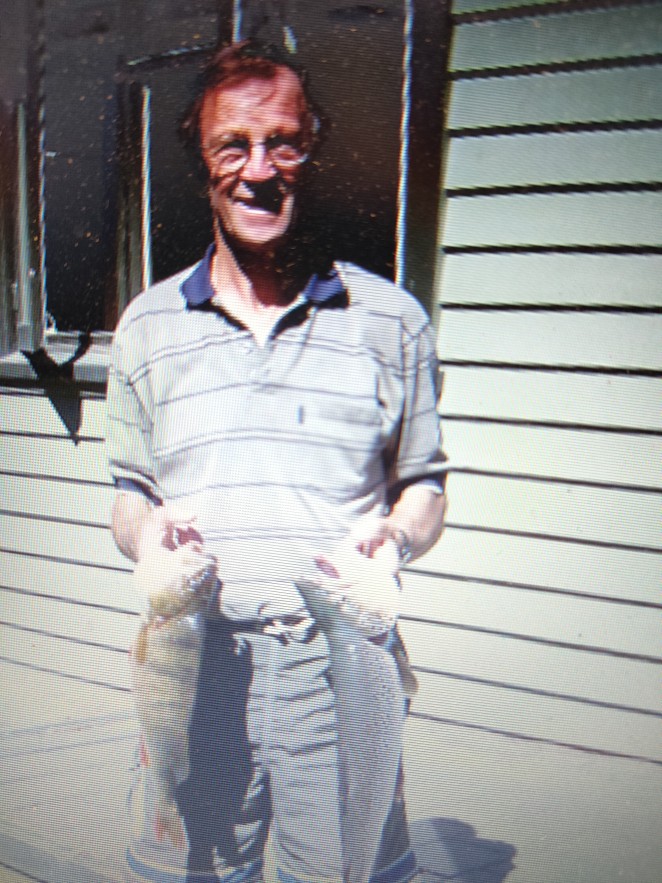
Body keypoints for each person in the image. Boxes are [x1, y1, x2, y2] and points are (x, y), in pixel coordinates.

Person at [107, 40, 447, 883]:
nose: (260, 169)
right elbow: (129, 497)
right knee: (191, 873)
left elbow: (425, 485)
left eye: (283, 141)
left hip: (336, 669)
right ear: (204, 162)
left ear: (312, 153)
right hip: (193, 662)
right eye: (235, 145)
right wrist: (148, 538)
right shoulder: (146, 327)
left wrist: (395, 545)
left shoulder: (390, 319)